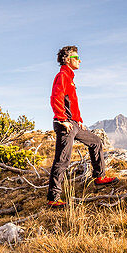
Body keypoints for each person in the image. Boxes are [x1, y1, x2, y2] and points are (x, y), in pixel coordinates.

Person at [46, 45, 115, 208]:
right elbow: (56, 97)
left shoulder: (70, 77)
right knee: (62, 161)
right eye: (76, 58)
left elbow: (72, 102)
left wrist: (78, 120)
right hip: (65, 125)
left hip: (75, 124)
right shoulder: (62, 75)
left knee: (96, 142)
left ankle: (99, 178)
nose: (79, 60)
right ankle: (53, 198)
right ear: (67, 59)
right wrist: (62, 119)